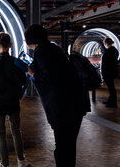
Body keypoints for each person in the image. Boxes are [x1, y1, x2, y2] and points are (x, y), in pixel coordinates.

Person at [24, 24, 89, 167]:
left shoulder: (41, 51)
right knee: (68, 146)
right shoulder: (53, 48)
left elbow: (51, 77)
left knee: (63, 148)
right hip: (75, 103)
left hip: (63, 107)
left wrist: (32, 72)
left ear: (29, 38)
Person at [0, 32, 31, 167]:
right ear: (10, 45)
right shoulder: (17, 62)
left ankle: (4, 164)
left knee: (0, 134)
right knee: (16, 131)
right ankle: (21, 161)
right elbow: (23, 80)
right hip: (13, 102)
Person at [101, 37, 119, 108]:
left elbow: (107, 63)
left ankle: (113, 103)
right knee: (111, 87)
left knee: (111, 87)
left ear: (105, 43)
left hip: (108, 72)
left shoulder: (109, 51)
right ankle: (110, 100)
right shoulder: (114, 50)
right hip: (112, 71)